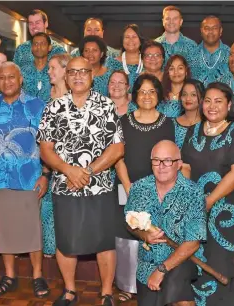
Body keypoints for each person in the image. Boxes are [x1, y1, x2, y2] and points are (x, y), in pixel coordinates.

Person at [37, 57, 124, 306]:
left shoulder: (106, 106)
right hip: (65, 186)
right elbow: (45, 149)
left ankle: (107, 292)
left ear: (92, 75)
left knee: (104, 240)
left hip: (101, 185)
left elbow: (117, 149)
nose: (77, 76)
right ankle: (69, 291)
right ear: (66, 76)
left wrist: (85, 171)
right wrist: (68, 171)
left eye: (83, 72)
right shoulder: (53, 107)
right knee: (67, 241)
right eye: (72, 72)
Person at [0, 62, 50, 298]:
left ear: (20, 80)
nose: (7, 81)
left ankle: (38, 276)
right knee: (3, 229)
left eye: (12, 77)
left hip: (29, 180)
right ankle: (10, 276)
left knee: (31, 230)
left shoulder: (36, 106)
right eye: (2, 77)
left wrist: (46, 173)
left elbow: (48, 144)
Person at [181, 82, 234, 305]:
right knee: (195, 259)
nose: (212, 106)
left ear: (229, 104)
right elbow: (184, 166)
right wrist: (186, 198)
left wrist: (210, 201)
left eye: (218, 101)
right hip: (194, 208)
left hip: (225, 211)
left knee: (221, 262)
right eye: (208, 101)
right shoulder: (193, 131)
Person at [114, 74, 176, 303]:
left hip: (159, 188)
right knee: (127, 232)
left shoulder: (168, 123)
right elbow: (118, 158)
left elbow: (172, 157)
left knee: (156, 232)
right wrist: (130, 188)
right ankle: (127, 285)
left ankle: (156, 279)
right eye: (142, 91)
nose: (147, 96)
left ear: (158, 95)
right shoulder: (123, 121)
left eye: (152, 91)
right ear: (135, 95)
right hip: (126, 185)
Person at [126, 140, 206, 306]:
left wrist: (161, 270)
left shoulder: (193, 192)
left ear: (179, 164)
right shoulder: (139, 188)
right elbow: (129, 224)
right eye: (156, 160)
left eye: (168, 161)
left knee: (181, 298)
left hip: (183, 260)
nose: (161, 166)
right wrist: (144, 235)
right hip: (147, 264)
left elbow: (193, 243)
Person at [41, 53, 71, 258]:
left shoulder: (76, 98)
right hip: (50, 168)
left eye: (53, 68)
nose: (49, 71)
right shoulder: (47, 100)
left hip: (72, 171)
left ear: (65, 70)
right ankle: (50, 259)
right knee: (47, 213)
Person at [190, 16, 230, 86]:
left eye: (214, 28)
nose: (210, 31)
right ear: (201, 31)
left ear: (220, 31)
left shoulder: (230, 54)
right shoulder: (191, 55)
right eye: (206, 28)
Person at [106, 24, 145, 91]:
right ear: (122, 41)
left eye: (134, 36)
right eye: (127, 37)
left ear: (140, 41)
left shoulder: (149, 62)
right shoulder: (111, 63)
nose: (130, 40)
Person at [21, 32, 52, 101]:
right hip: (27, 110)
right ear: (31, 48)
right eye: (36, 44)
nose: (38, 47)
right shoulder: (22, 71)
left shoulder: (54, 70)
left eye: (42, 44)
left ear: (49, 47)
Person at [174, 79, 204, 149]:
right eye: (184, 94)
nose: (188, 98)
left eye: (193, 95)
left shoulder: (208, 125)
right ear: (180, 97)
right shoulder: (171, 124)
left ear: (202, 98)